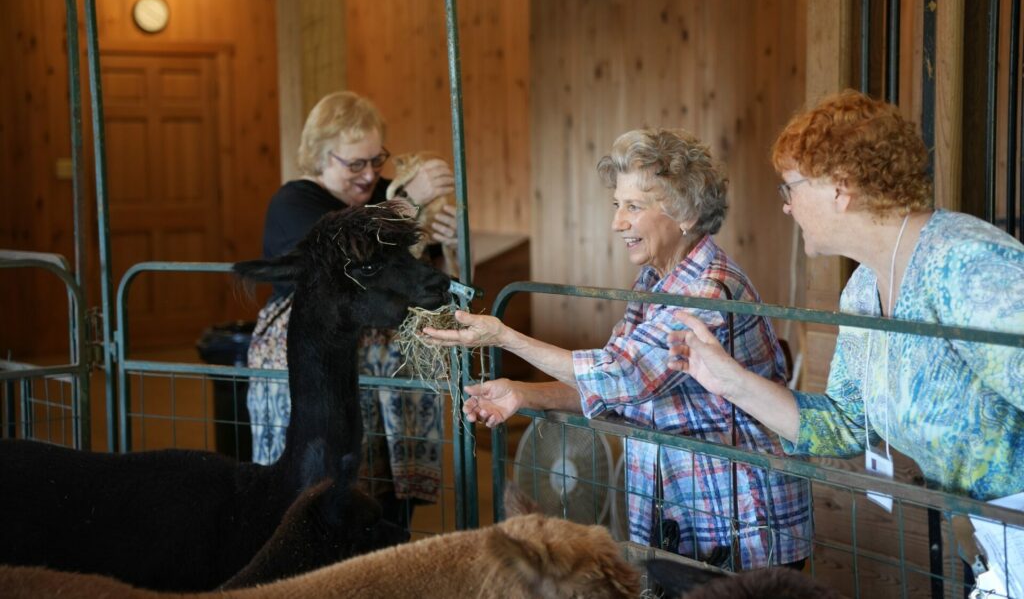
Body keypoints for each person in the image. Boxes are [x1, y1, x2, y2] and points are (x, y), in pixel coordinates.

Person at [422, 128, 812, 569]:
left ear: (684, 213)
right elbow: (621, 389)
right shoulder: (654, 282)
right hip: (682, 515)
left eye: (633, 206)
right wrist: (524, 393)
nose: (616, 222)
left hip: (738, 521)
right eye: (616, 205)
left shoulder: (707, 291)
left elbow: (621, 375)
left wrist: (505, 336)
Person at [669, 90, 1024, 502]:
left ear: (840, 188)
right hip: (989, 544)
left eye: (791, 189)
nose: (787, 207)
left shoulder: (967, 264)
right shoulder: (862, 288)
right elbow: (843, 425)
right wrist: (728, 380)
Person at [246, 90, 460, 528]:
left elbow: (416, 264)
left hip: (388, 369)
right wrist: (409, 203)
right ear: (321, 156)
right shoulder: (295, 202)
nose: (369, 176)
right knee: (320, 477)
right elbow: (344, 255)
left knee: (384, 490)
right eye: (355, 164)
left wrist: (447, 240)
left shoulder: (383, 194)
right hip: (318, 363)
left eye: (376, 160)